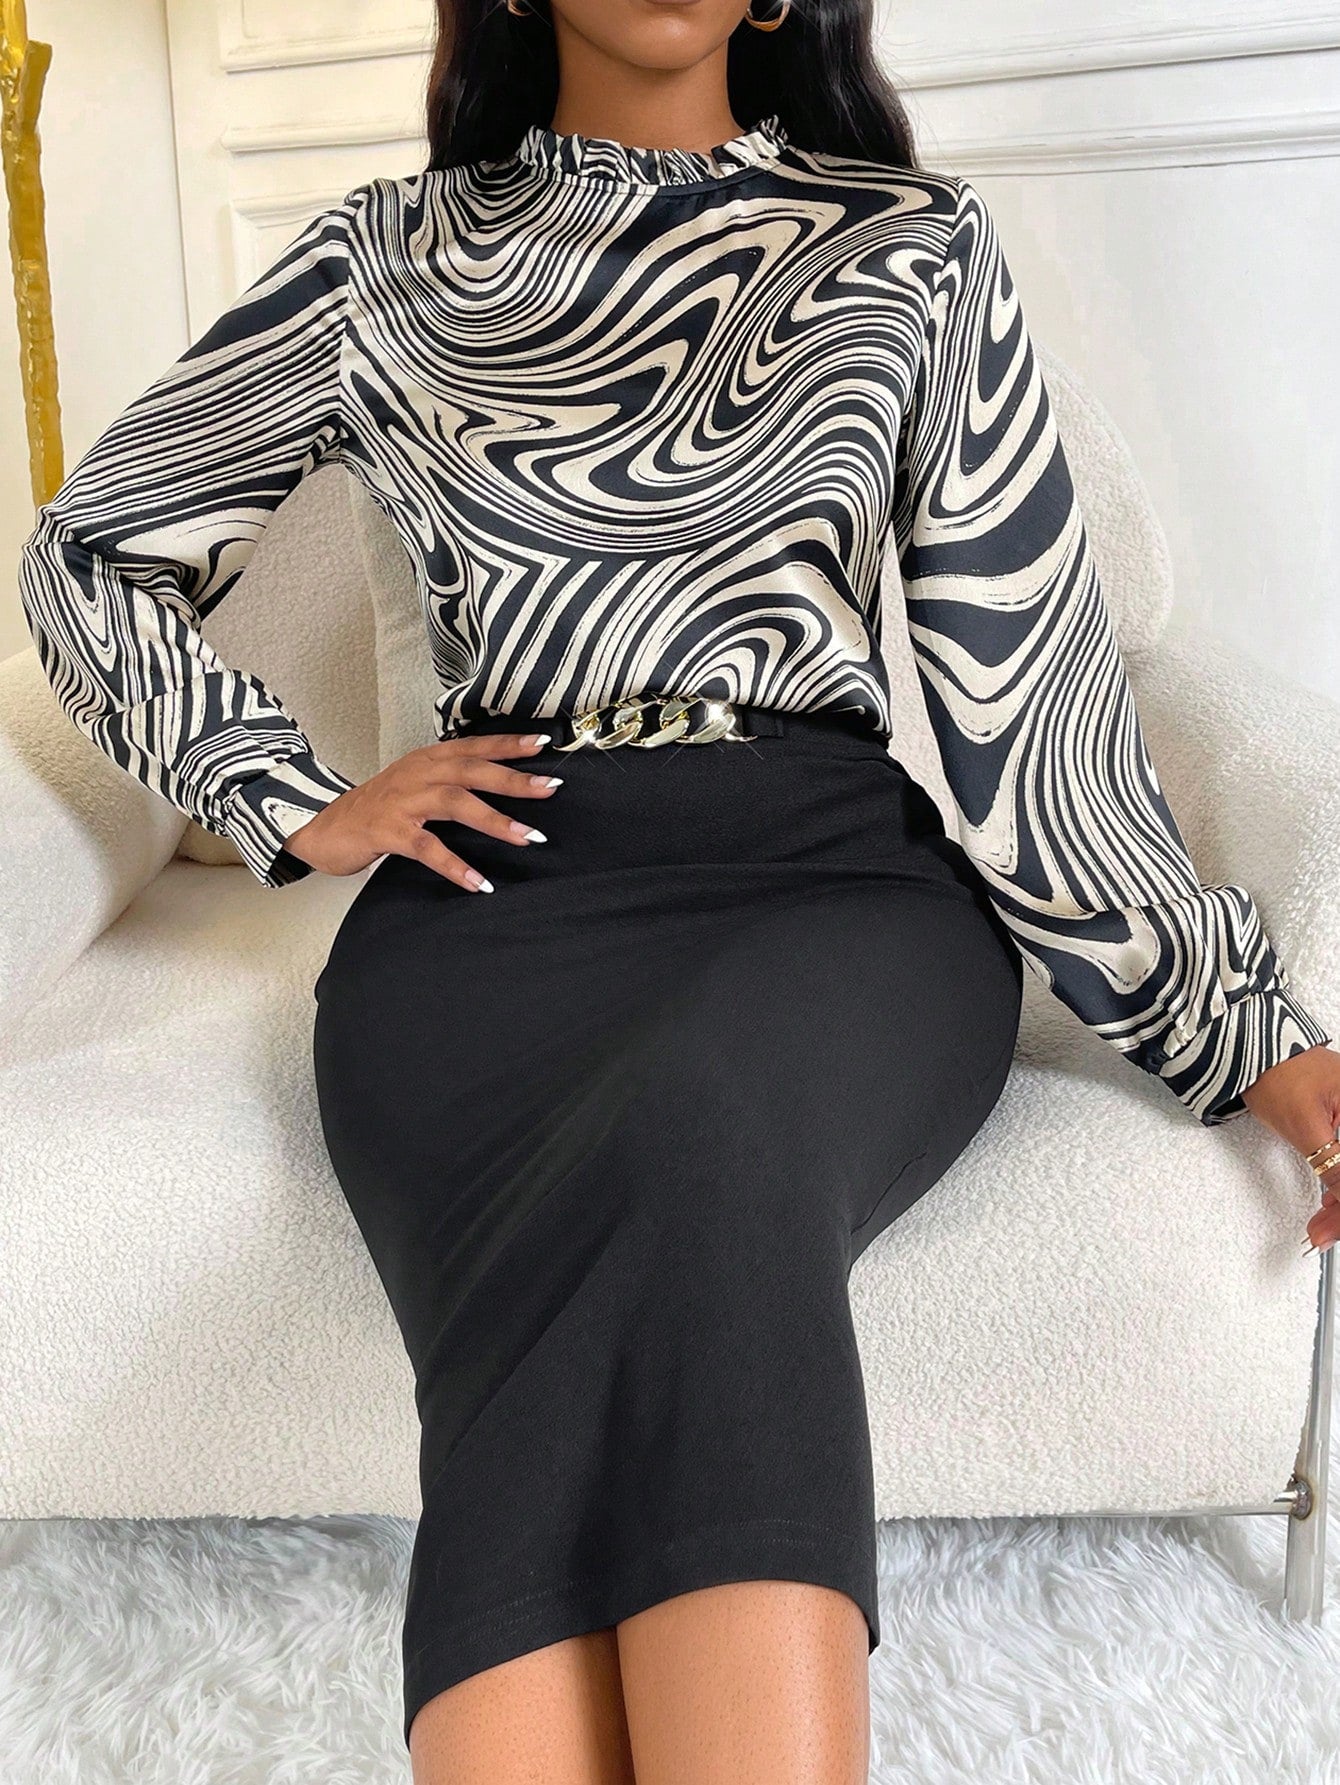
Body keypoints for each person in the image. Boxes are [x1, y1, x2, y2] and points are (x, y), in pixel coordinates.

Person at [17, 1, 1340, 1780]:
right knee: (646, 1168)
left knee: (707, 1120)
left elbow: (1030, 715)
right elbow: (89, 555)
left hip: (831, 887)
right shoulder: (386, 260)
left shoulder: (908, 250)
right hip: (491, 901)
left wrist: (1244, 1033)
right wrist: (296, 798)